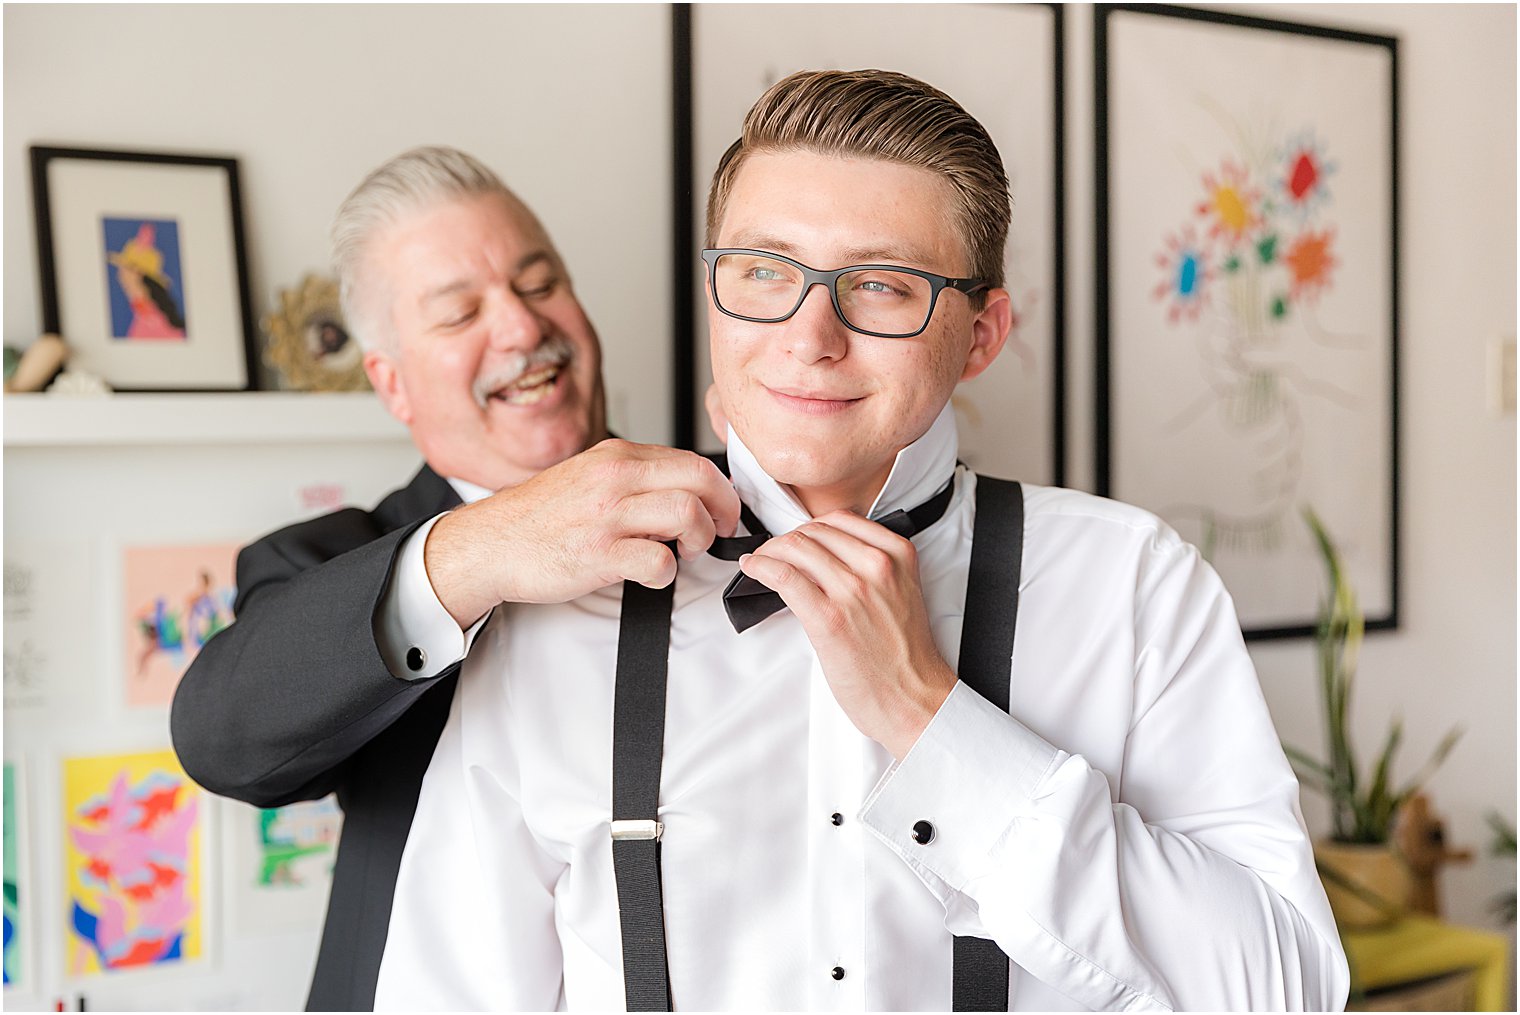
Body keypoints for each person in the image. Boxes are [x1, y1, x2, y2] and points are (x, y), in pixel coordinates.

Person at [363, 71, 1349, 1011]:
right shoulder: (561, 604)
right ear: (716, 293)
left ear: (981, 332)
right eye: (763, 271)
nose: (807, 334)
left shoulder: (1128, 583)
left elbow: (1285, 991)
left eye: (879, 286)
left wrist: (933, 719)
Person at [170, 146, 740, 1010]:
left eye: (540, 282)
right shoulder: (327, 562)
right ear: (392, 384)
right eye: (458, 312)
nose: (519, 328)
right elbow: (222, 738)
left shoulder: (732, 509)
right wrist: (484, 549)